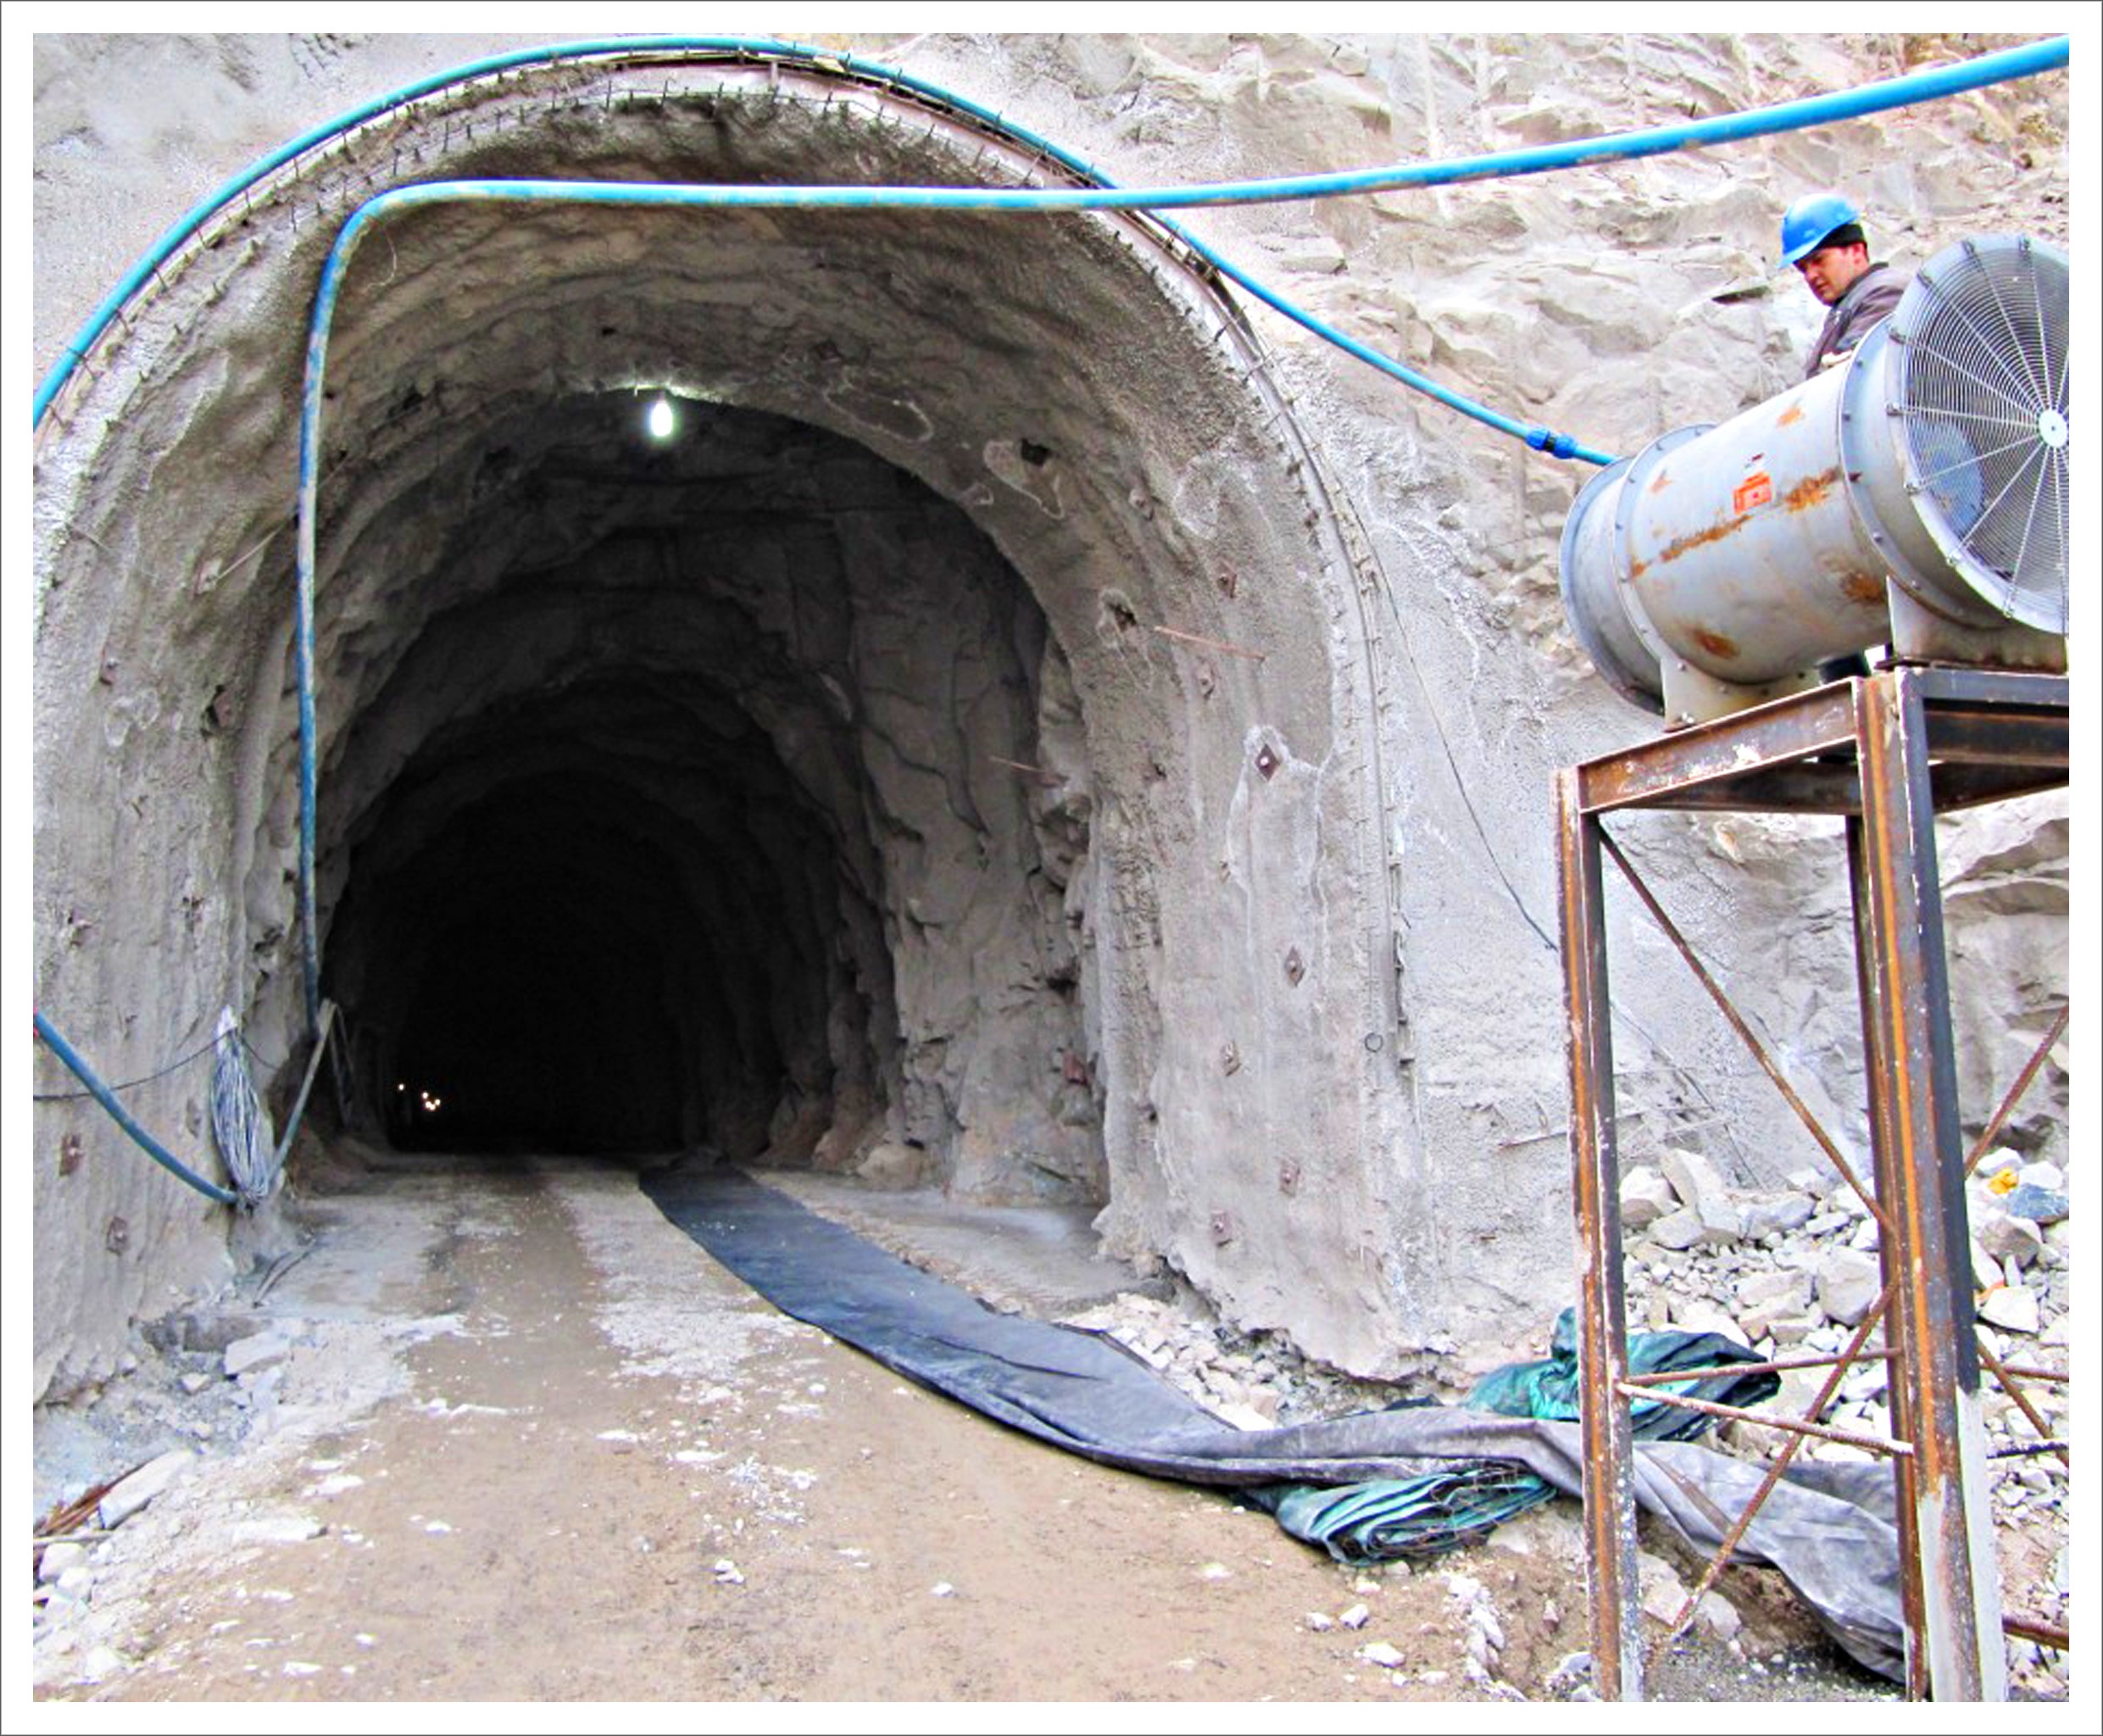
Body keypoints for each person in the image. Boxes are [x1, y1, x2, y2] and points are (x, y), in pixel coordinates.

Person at [1779, 192, 1907, 380]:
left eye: (1818, 260)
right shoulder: (1849, 305)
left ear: (1856, 251)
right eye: (1803, 268)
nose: (1810, 276)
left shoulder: (1885, 292)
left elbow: (1853, 374)